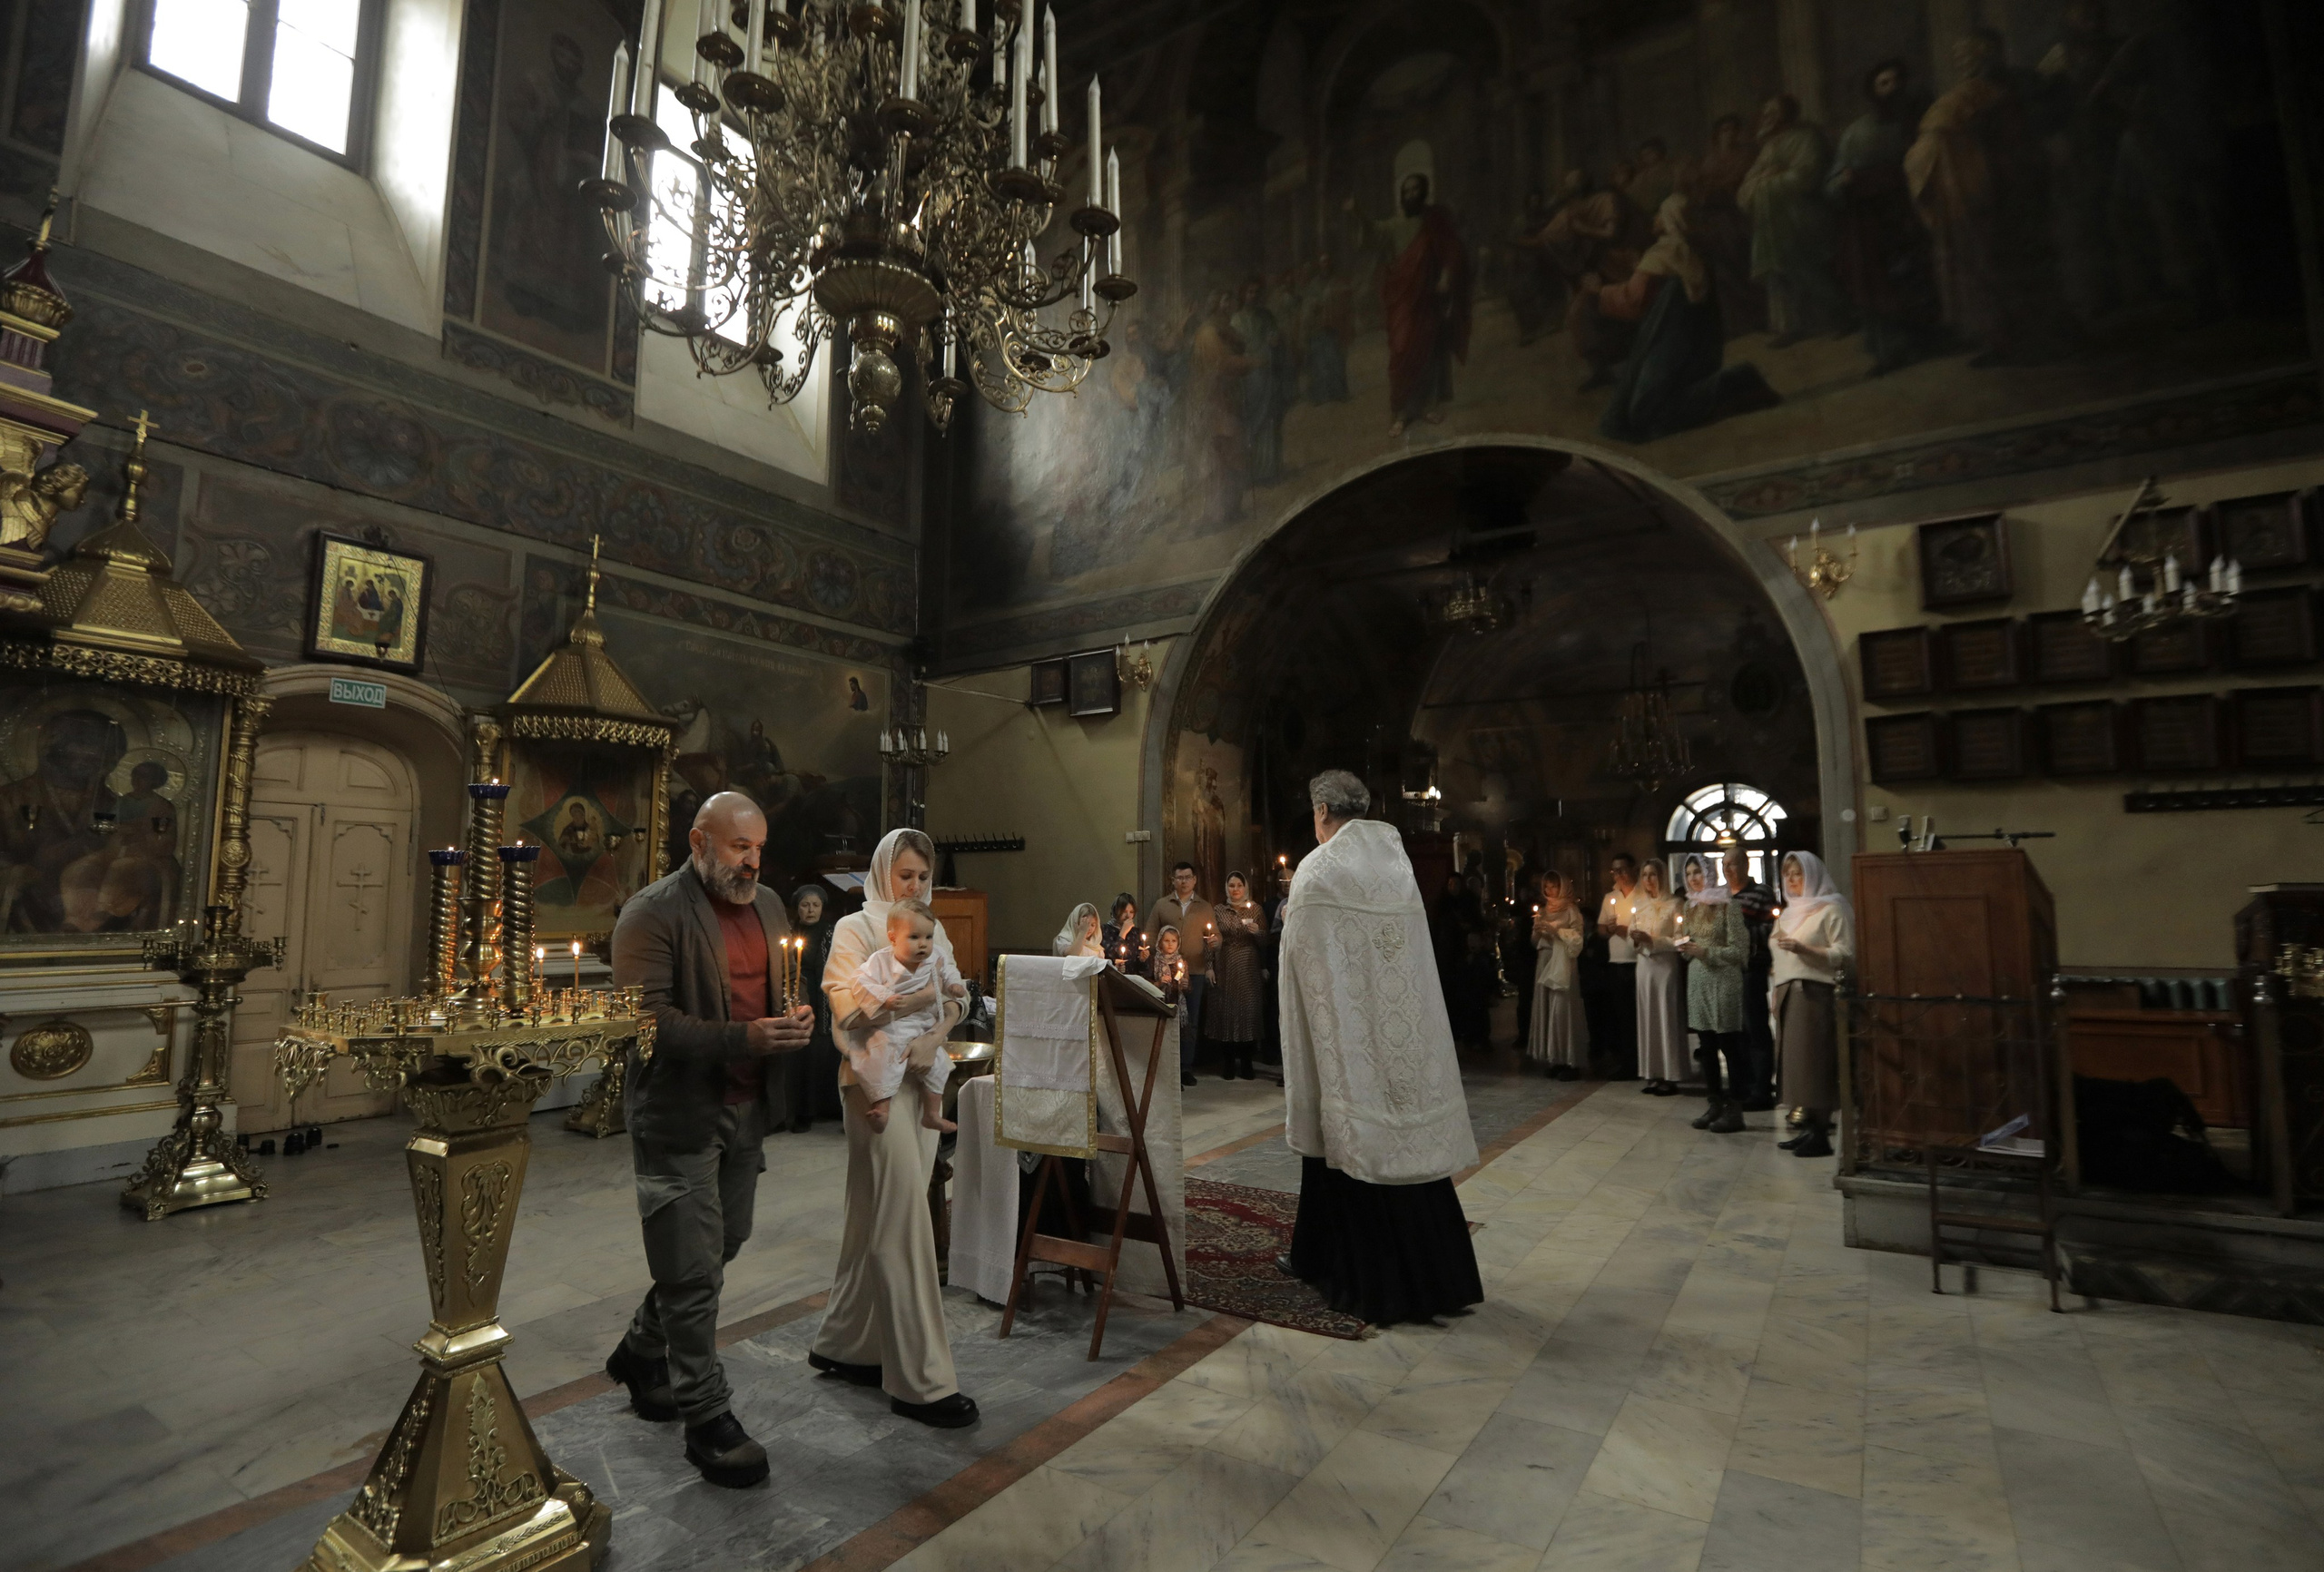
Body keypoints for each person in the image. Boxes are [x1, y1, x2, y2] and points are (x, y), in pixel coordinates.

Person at [606, 791, 815, 1488]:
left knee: (721, 1242)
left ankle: (641, 1349)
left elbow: (784, 988)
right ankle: (707, 1416)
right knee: (694, 1273)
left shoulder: (770, 907)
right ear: (698, 842)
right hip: (680, 1113)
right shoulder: (652, 913)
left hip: (748, 1107)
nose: (752, 862)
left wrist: (795, 1018)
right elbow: (646, 1022)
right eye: (738, 848)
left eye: (759, 848)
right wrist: (743, 1038)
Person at [1278, 770, 1482, 1326]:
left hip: (1348, 1043)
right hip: (1402, 1037)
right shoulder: (1397, 864)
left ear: (1322, 810)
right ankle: (1436, 1278)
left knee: (1343, 1142)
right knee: (1406, 1150)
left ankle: (1344, 1269)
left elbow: (1303, 961)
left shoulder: (1317, 869)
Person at [810, 828, 978, 1427]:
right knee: (904, 1217)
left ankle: (847, 1344)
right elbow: (846, 1009)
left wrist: (938, 1032)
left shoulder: (931, 927)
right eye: (905, 875)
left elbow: (957, 995)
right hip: (873, 1086)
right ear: (883, 873)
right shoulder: (855, 929)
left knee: (871, 1213)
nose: (914, 886)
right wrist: (912, 1007)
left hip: (923, 1077)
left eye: (923, 877)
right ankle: (922, 1381)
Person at [1907, 27, 2074, 367]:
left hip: (2018, 182)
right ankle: (2005, 341)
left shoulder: (2020, 83)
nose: (1961, 60)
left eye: (1968, 52)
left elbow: (2043, 122)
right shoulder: (1968, 92)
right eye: (1958, 55)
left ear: (1989, 52)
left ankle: (2049, 338)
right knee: (1990, 265)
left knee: (2028, 261)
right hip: (1987, 187)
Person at [1596, 194, 1780, 443]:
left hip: (1671, 340)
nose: (1655, 218)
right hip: (1694, 347)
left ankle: (1740, 379)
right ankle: (1731, 385)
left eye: (1660, 212)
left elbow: (1632, 301)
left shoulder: (1665, 251)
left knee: (1647, 414)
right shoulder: (1693, 249)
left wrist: (1599, 292)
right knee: (1643, 412)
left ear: (1670, 218)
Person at [1829, 60, 1945, 374]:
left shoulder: (1921, 125)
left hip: (1907, 215)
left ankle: (1927, 341)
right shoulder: (1857, 132)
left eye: (1895, 82)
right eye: (1883, 83)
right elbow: (1834, 180)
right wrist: (1842, 182)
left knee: (1914, 277)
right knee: (1875, 283)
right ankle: (1889, 350)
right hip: (1867, 221)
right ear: (1872, 91)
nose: (1891, 89)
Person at [1347, 174, 1473, 436]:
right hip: (1402, 299)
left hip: (1428, 298)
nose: (1410, 195)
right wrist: (1358, 212)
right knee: (1401, 350)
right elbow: (1373, 232)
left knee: (1430, 351)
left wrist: (1445, 276)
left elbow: (1452, 249)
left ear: (1423, 192)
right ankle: (1402, 411)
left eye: (1415, 190)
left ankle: (1427, 406)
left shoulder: (1433, 222)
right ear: (1401, 196)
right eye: (1406, 191)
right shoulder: (1394, 225)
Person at [1738, 94, 1853, 346]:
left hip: (1802, 216)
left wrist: (1768, 181)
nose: (1766, 118)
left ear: (1785, 115)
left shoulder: (1805, 138)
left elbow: (1806, 176)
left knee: (1806, 268)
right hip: (1771, 222)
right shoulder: (1769, 147)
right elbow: (1747, 185)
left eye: (1772, 113)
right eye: (1765, 113)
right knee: (1777, 274)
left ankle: (1841, 316)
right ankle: (1789, 327)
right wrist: (1764, 180)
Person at [845, 899, 964, 1135]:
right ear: (893, 938)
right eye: (914, 937)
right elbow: (860, 982)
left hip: (925, 1023)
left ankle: (932, 1114)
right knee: (885, 1058)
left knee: (939, 1064)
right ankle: (882, 1108)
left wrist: (954, 985)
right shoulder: (881, 961)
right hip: (894, 1024)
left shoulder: (935, 956)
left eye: (928, 937)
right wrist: (885, 998)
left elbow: (949, 971)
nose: (923, 944)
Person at [1771, 850, 1854, 1159]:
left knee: (1814, 1062)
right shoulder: (1789, 913)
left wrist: (1805, 949)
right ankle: (1808, 1127)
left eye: (1799, 874)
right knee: (1796, 1064)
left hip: (1816, 992)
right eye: (1788, 874)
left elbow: (1845, 953)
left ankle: (1821, 1133)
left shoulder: (1832, 908)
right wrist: (1776, 991)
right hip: (1789, 991)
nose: (1793, 880)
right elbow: (1779, 958)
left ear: (1813, 875)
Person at [1677, 854, 1748, 1134]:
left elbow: (1739, 951)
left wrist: (1705, 951)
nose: (1693, 878)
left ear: (1709, 874)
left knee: (1729, 1046)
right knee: (1706, 1047)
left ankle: (1735, 1110)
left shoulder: (1728, 904)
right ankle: (1714, 1103)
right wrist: (1683, 946)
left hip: (1724, 980)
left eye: (1698, 872)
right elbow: (1688, 947)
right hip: (1698, 981)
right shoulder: (1689, 906)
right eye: (1689, 873)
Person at [1150, 861, 1216, 1086]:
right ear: (1173, 880)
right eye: (1179, 877)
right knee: (1167, 1019)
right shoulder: (1162, 905)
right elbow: (1151, 933)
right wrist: (1153, 957)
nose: (1184, 881)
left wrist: (1215, 942)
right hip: (1166, 973)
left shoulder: (1204, 906)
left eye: (1188, 877)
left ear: (1195, 880)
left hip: (1194, 971)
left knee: (1190, 1021)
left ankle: (1186, 1067)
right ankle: (1165, 1066)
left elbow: (1215, 935)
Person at [1723, 850, 1777, 1111]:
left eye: (1732, 864)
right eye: (1724, 864)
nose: (1727, 869)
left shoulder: (1761, 893)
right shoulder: (1721, 895)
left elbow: (1772, 928)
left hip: (1751, 968)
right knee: (1736, 1032)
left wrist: (1740, 930)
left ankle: (1761, 1089)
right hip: (1727, 970)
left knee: (1755, 1028)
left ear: (1745, 865)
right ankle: (1742, 1085)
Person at [1627, 860, 1688, 1095]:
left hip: (1665, 966)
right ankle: (1652, 1072)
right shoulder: (1639, 905)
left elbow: (1681, 939)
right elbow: (1631, 936)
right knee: (1648, 1018)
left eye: (1653, 875)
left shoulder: (1675, 904)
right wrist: (1635, 939)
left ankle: (1671, 1074)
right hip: (1644, 966)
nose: (1649, 880)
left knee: (1666, 1017)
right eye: (1645, 875)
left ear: (1662, 876)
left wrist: (1653, 940)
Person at [1527, 870, 1589, 1078]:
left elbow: (1578, 938)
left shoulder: (1571, 910)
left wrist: (1556, 933)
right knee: (1547, 1007)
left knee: (1562, 1009)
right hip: (1545, 959)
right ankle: (1554, 1057)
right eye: (1546, 886)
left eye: (1553, 886)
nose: (1549, 890)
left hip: (1562, 961)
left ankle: (1569, 1059)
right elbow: (1535, 942)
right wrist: (1537, 932)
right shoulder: (1543, 910)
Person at [1206, 870, 1265, 1081]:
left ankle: (1247, 1062)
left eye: (1239, 885)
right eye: (1232, 885)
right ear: (1227, 888)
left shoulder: (1256, 909)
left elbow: (1265, 941)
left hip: (1249, 966)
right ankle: (1229, 1063)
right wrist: (1209, 966)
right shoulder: (1218, 910)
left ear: (1245, 887)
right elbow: (1209, 938)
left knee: (1248, 1012)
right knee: (1227, 1012)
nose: (1236, 889)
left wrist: (1257, 932)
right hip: (1225, 964)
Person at [793, 883, 842, 1128]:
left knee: (822, 1053)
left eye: (815, 905)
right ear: (797, 908)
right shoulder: (789, 932)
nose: (810, 910)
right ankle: (801, 1111)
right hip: (797, 994)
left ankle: (828, 1108)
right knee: (801, 1056)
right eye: (805, 905)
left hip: (823, 998)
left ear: (823, 908)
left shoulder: (831, 933)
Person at [1596, 853, 1643, 1077]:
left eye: (1622, 869)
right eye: (1615, 871)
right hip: (1616, 962)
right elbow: (1601, 929)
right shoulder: (1610, 897)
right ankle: (1627, 1063)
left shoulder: (1643, 894)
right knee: (1622, 1017)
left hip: (1639, 961)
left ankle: (1644, 1062)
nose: (1619, 875)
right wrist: (1610, 929)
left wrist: (1628, 931)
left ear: (1633, 869)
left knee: (1640, 1016)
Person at [1101, 891, 1147, 975]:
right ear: (1116, 911)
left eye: (1131, 912)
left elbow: (1142, 969)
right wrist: (1123, 933)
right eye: (1124, 911)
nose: (1128, 916)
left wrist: (1142, 959)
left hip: (1132, 978)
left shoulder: (1136, 932)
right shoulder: (1105, 930)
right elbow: (1109, 956)